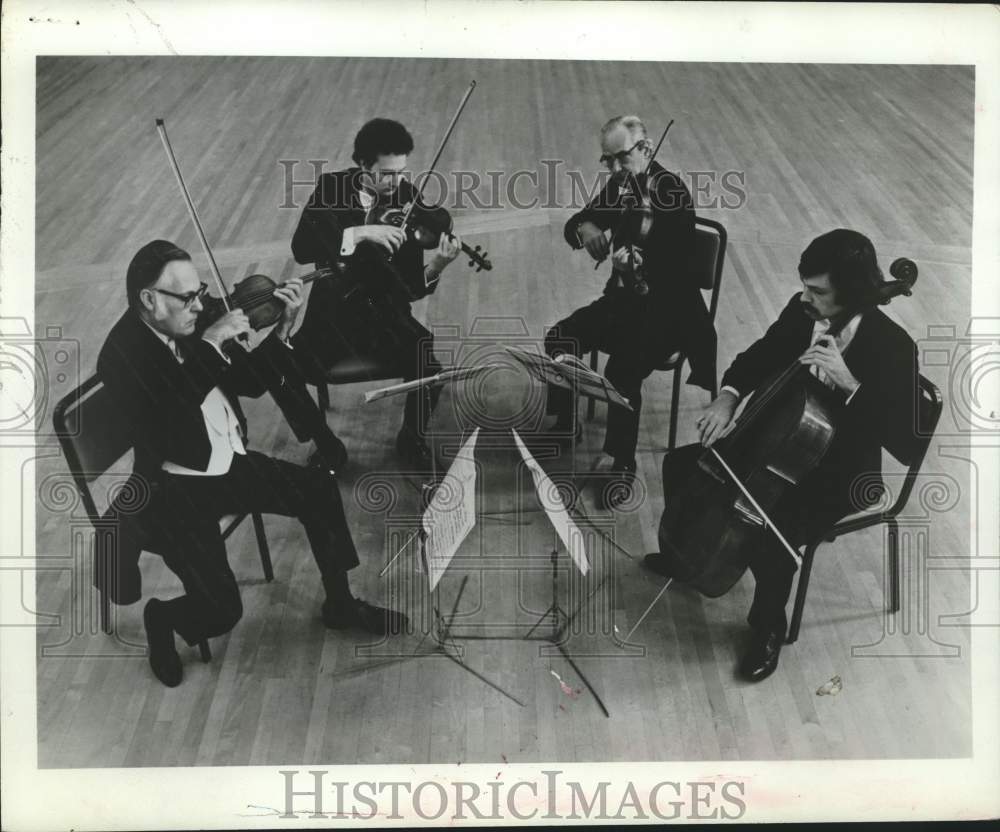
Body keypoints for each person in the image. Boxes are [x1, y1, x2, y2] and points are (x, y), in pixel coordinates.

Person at [97, 240, 407, 688]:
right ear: (148, 299)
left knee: (318, 489)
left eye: (199, 291)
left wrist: (282, 330)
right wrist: (210, 343)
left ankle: (339, 603)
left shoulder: (195, 321)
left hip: (227, 461)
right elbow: (167, 423)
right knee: (223, 611)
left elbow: (248, 383)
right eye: (187, 298)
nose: (200, 305)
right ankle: (162, 618)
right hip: (175, 489)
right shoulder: (122, 356)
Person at [645, 229, 921, 682]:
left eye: (818, 291)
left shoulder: (892, 346)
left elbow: (908, 442)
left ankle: (767, 627)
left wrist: (851, 386)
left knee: (773, 534)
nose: (805, 297)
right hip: (780, 441)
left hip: (843, 470)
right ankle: (684, 556)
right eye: (805, 285)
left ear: (851, 292)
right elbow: (761, 353)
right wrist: (728, 396)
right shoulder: (803, 312)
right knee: (682, 463)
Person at [544, 115, 716, 509]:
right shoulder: (621, 185)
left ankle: (622, 463)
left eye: (621, 158)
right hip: (624, 302)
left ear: (646, 148)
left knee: (620, 372)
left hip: (668, 312)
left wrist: (635, 272)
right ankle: (566, 423)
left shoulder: (673, 195)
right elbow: (576, 223)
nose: (615, 168)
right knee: (559, 338)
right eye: (607, 160)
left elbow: (678, 275)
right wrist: (587, 230)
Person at [289, 118, 462, 468]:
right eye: (387, 174)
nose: (397, 182)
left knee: (429, 365)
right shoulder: (331, 188)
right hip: (332, 318)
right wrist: (361, 232)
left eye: (402, 172)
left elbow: (412, 288)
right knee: (286, 371)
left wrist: (439, 265)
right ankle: (327, 445)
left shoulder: (407, 199)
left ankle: (411, 439)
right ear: (363, 166)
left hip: (384, 317)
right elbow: (301, 248)